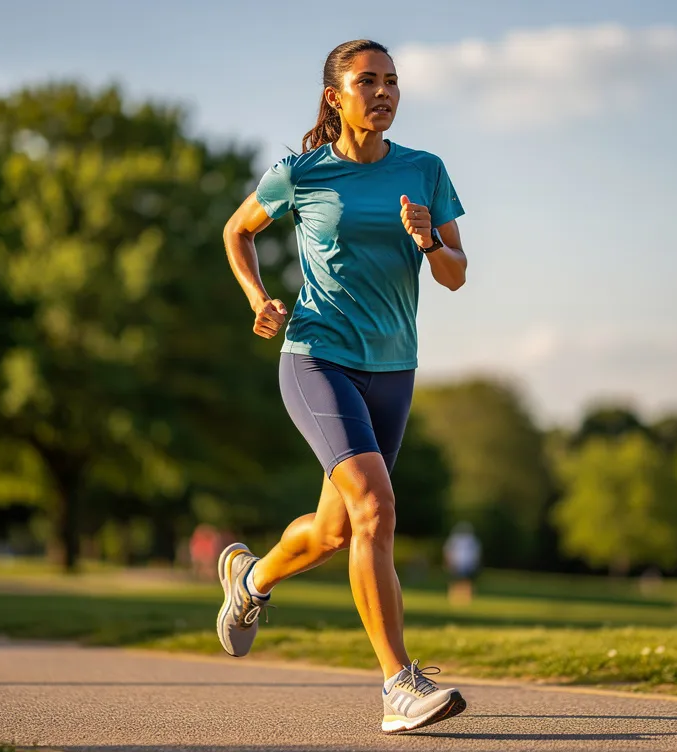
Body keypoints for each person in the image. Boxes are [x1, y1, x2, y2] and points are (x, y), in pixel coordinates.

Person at [216, 39, 469, 735]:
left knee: (336, 529)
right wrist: (256, 298)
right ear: (335, 96)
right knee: (377, 507)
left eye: (392, 81)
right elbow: (238, 231)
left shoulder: (425, 171)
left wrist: (428, 241)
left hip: (393, 369)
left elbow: (456, 274)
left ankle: (251, 580)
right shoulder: (300, 174)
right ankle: (398, 685)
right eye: (368, 81)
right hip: (317, 359)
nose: (383, 92)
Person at [443, 522, 481, 607]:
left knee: (466, 580)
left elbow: (476, 553)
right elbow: (448, 551)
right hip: (456, 562)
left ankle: (466, 597)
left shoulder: (472, 540)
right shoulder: (455, 539)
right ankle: (454, 596)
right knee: (455, 580)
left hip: (467, 563)